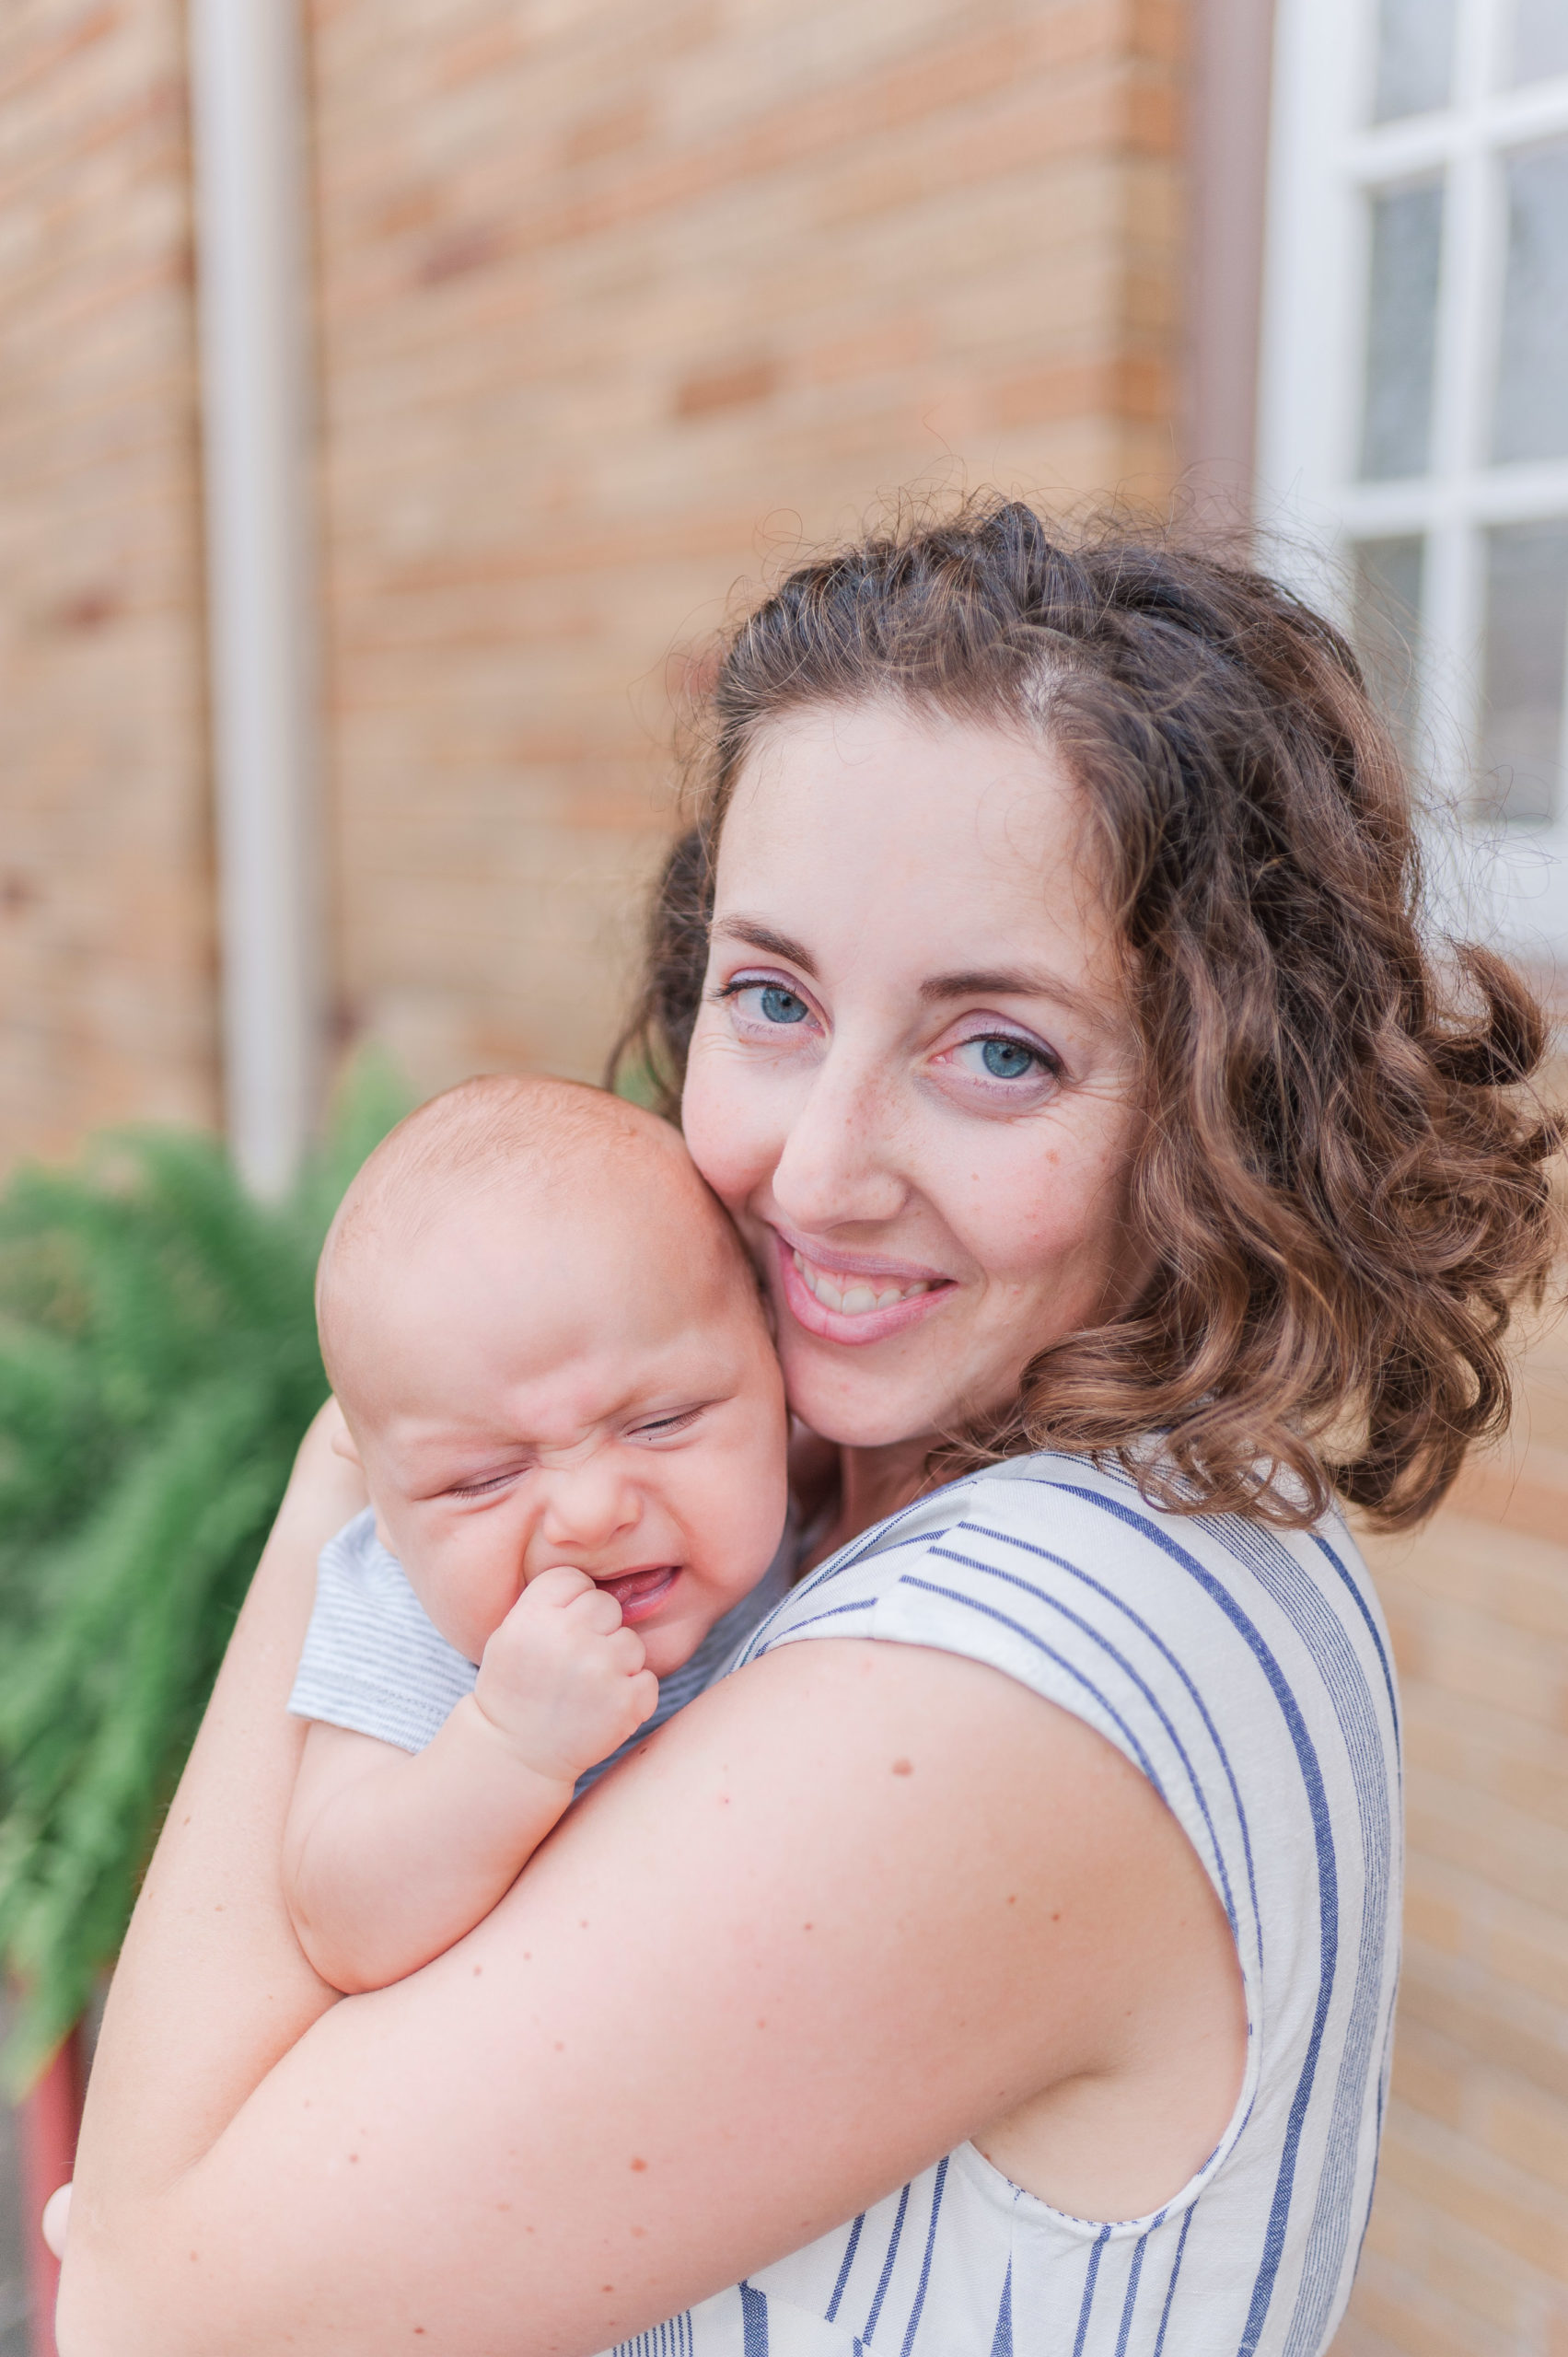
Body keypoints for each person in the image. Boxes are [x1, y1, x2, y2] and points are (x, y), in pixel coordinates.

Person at [57, 501, 1557, 2357]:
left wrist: (363, 1451)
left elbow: (150, 2305)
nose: (819, 1169)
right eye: (769, 997)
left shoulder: (1021, 1654)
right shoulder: (818, 1506)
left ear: (1220, 1098)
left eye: (992, 1047)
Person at [282, 1072, 789, 1993]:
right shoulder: (416, 1624)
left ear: (779, 1368)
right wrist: (508, 1746)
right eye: (483, 1479)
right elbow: (342, 1921)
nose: (591, 1513)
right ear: (383, 1512)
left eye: (662, 1420)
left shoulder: (841, 1521)